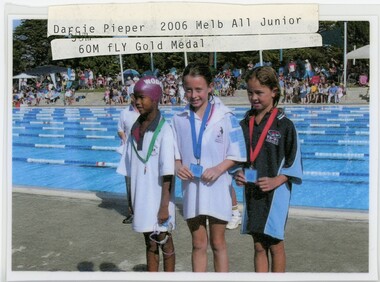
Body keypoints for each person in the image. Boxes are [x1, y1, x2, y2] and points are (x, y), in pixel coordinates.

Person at [171, 62, 246, 272]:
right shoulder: (178, 119)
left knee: (218, 243)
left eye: (198, 89)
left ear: (210, 87)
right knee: (198, 244)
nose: (193, 95)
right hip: (192, 189)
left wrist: (219, 168)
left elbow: (238, 152)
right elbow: (173, 152)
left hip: (218, 188)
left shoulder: (227, 116)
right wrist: (177, 165)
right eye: (188, 90)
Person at [234, 66, 303, 272]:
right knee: (258, 244)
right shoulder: (244, 123)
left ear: (274, 91)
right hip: (253, 189)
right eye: (250, 92)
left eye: (259, 92)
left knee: (274, 243)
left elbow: (294, 161)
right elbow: (237, 156)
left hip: (276, 192)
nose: (253, 97)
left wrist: (277, 180)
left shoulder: (285, 126)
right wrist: (238, 173)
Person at [116, 76, 176, 272]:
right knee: (148, 243)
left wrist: (164, 206)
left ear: (155, 97)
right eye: (135, 97)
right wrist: (133, 201)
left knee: (164, 241)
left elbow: (168, 174)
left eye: (142, 97)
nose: (137, 102)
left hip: (159, 200)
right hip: (142, 197)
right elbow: (131, 167)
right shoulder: (135, 127)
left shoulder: (165, 131)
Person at [116, 94, 140, 224]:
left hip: (144, 154)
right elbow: (120, 129)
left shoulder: (147, 111)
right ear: (131, 97)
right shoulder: (124, 113)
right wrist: (124, 139)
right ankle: (132, 213)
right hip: (129, 154)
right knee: (130, 184)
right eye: (134, 96)